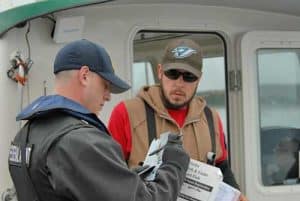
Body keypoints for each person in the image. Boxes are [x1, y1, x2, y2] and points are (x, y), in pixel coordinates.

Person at [8, 39, 190, 201]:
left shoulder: (27, 134)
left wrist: (129, 175)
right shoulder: (81, 142)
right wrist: (174, 166)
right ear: (85, 75)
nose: (108, 96)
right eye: (106, 85)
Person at [108, 38, 248, 201]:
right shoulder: (125, 113)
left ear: (199, 78)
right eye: (172, 73)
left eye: (189, 76)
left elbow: (221, 166)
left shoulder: (212, 118)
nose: (179, 83)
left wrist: (237, 194)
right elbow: (110, 175)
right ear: (160, 71)